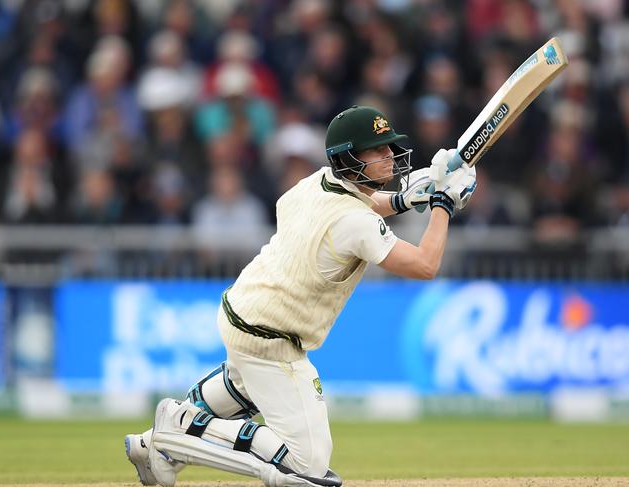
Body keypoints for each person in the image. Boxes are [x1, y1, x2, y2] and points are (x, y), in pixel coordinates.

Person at [124, 105, 476, 487]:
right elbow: (425, 265)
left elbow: (360, 203)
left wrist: (406, 200)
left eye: (390, 147)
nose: (390, 155)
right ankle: (180, 426)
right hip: (272, 337)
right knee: (307, 466)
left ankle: (152, 445)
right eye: (378, 150)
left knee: (248, 383)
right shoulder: (355, 223)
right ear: (349, 158)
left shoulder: (316, 182)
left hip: (244, 308)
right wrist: (442, 204)